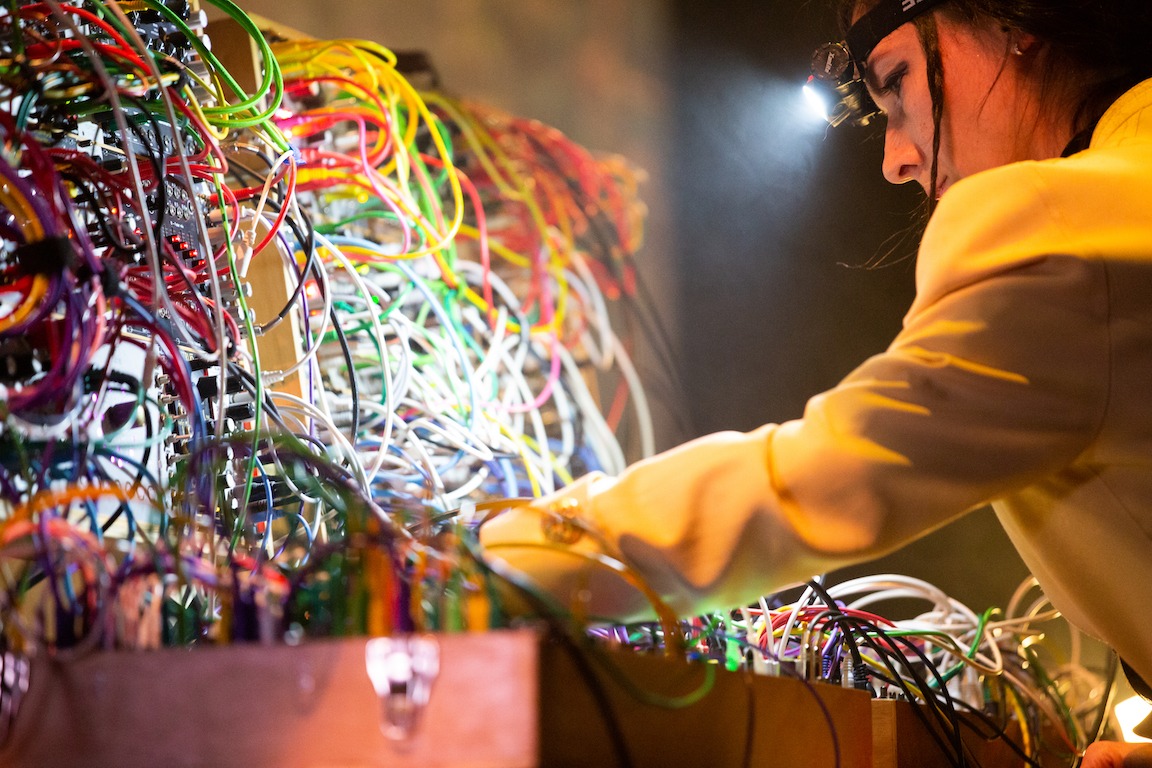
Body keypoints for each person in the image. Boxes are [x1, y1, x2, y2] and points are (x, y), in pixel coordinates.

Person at [480, 0, 1152, 761]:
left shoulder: (1057, 224)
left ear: (1014, 15)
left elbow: (826, 477)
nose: (896, 159)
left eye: (897, 83)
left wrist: (494, 564)